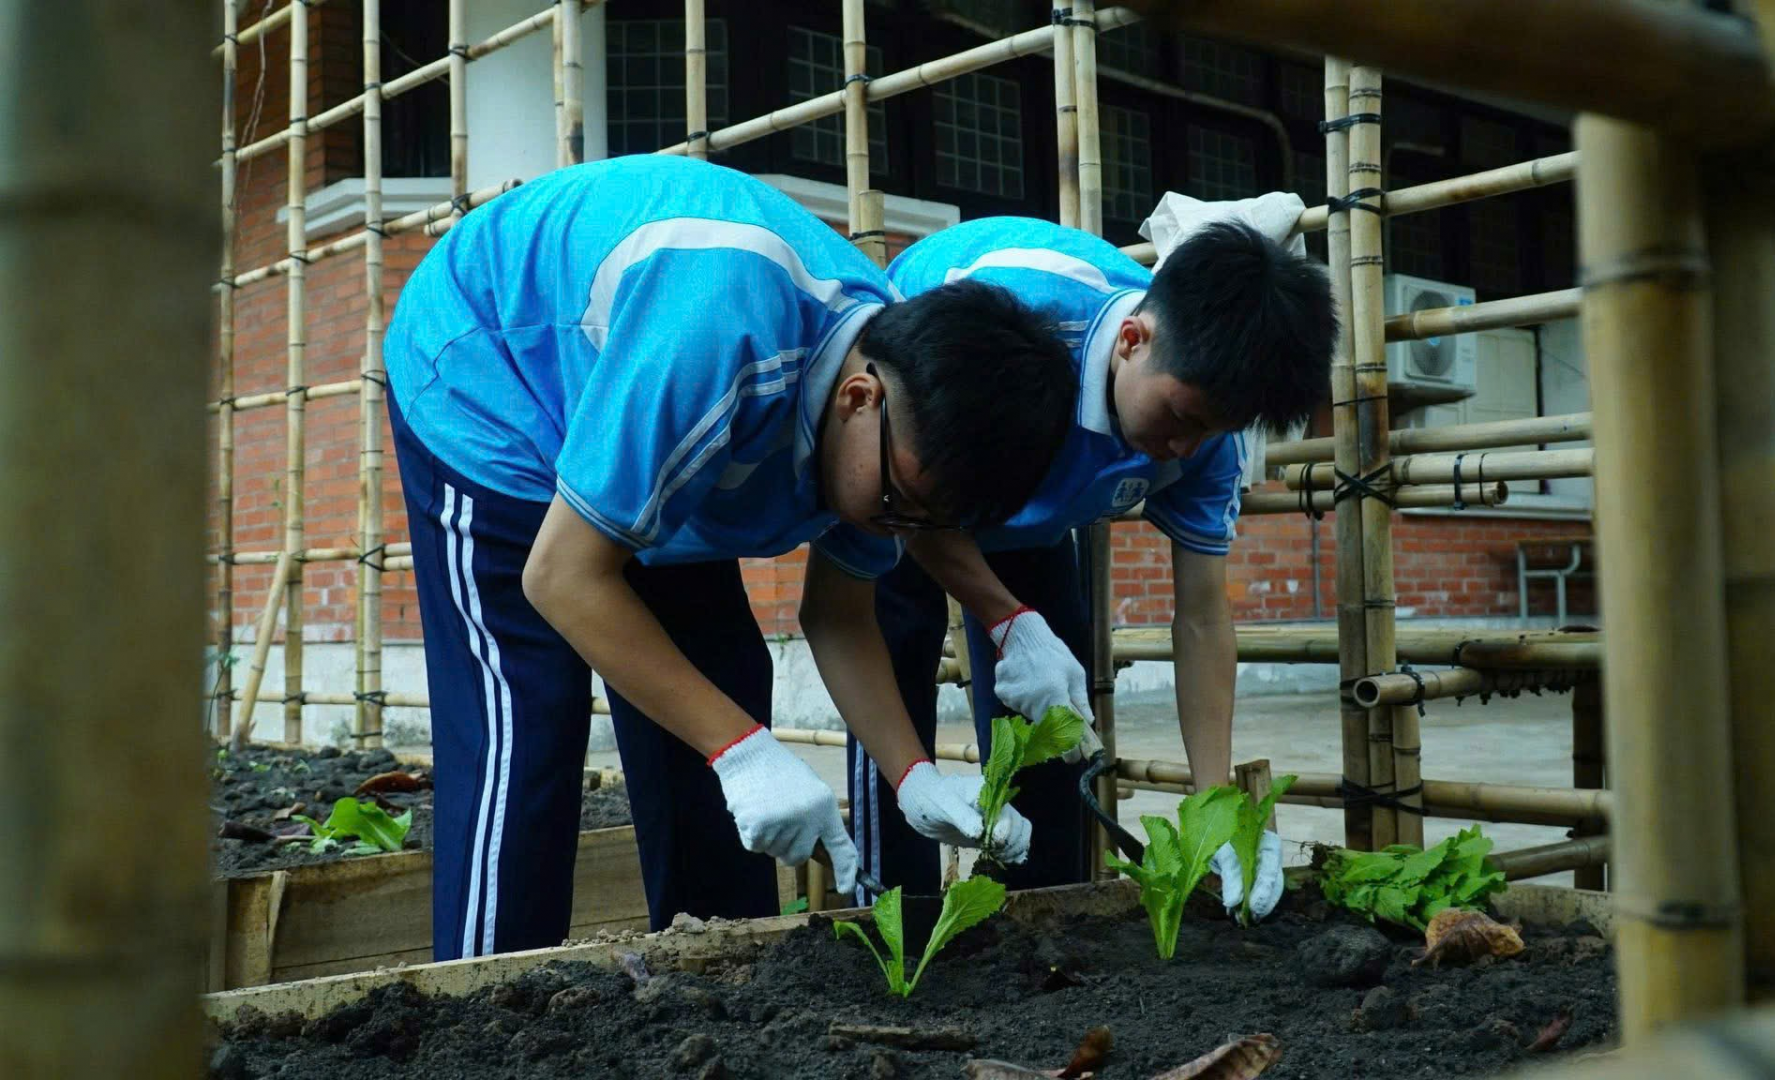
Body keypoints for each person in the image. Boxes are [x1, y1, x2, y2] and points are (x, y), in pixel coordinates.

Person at [383, 155, 1077, 961]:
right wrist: (742, 752)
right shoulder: (718, 335)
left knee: (721, 686)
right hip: (491, 375)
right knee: (530, 720)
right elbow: (562, 575)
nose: (900, 527)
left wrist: (914, 775)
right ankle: (482, 997)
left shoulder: (897, 427)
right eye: (898, 506)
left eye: (927, 521)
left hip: (640, 409)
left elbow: (840, 616)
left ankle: (715, 973)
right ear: (859, 399)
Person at [847, 212, 1335, 921]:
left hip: (1035, 508)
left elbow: (1203, 618)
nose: (1183, 447)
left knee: (1054, 711)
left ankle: (1041, 918)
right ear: (1132, 341)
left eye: (1211, 431)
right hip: (911, 462)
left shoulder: (1206, 440)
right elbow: (900, 487)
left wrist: (1215, 803)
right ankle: (895, 914)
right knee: (896, 656)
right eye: (1181, 417)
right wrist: (1005, 617)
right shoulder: (1026, 319)